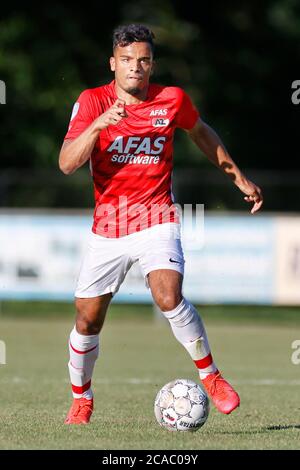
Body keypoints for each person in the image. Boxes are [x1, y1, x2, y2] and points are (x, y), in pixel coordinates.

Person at [59, 24, 263, 425]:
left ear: (152, 65)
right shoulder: (91, 101)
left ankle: (211, 376)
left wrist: (238, 178)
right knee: (87, 319)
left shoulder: (171, 100)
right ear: (112, 63)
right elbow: (67, 163)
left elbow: (201, 132)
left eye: (144, 60)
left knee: (168, 296)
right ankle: (81, 399)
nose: (136, 67)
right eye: (128, 60)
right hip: (109, 224)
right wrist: (99, 124)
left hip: (156, 216)